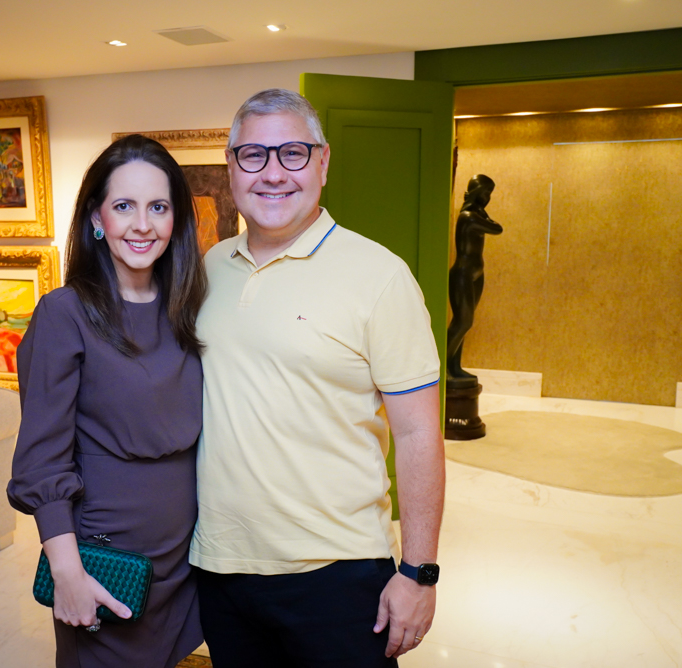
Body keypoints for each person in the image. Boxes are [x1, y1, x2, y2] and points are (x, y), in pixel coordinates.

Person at [190, 89, 446, 667]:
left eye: (293, 153)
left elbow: (418, 434)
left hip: (339, 574)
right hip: (221, 567)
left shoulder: (381, 277)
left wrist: (419, 572)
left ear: (323, 162)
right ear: (231, 167)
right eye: (253, 155)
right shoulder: (209, 268)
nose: (273, 173)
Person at [7, 134, 208, 668]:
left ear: (176, 219)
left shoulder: (190, 308)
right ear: (97, 218)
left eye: (158, 207)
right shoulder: (64, 314)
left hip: (185, 559)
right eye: (124, 206)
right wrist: (68, 573)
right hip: (106, 557)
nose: (142, 224)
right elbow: (41, 460)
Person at [446, 174, 503, 385]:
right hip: (462, 273)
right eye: (486, 192)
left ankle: (454, 367)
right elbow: (497, 228)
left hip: (476, 274)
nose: (488, 197)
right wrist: (480, 210)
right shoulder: (468, 216)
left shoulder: (477, 214)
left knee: (465, 323)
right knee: (463, 322)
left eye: (490, 193)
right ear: (477, 192)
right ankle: (442, 366)